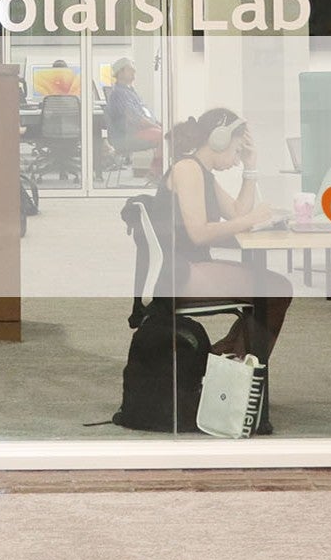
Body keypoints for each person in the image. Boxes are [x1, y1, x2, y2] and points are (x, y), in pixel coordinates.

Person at [154, 109, 293, 430]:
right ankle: (230, 373)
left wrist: (251, 168)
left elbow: (236, 211)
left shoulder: (202, 171)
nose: (236, 156)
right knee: (274, 291)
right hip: (182, 272)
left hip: (192, 266)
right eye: (236, 149)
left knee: (274, 291)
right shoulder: (187, 169)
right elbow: (199, 232)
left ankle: (223, 369)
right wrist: (249, 220)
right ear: (218, 139)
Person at [105, 56, 164, 179]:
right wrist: (156, 126)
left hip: (138, 131)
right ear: (120, 72)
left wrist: (158, 123)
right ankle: (155, 173)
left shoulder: (130, 91)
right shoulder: (119, 93)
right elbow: (135, 118)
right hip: (127, 136)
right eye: (130, 69)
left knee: (166, 132)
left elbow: (143, 113)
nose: (134, 72)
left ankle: (159, 172)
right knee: (163, 136)